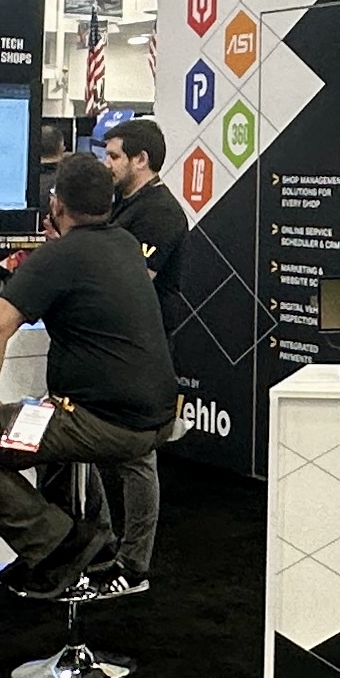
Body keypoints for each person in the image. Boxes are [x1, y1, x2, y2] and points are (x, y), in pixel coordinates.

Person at [0, 151, 180, 599]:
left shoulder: (60, 256)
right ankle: (93, 546)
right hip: (150, 415)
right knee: (39, 421)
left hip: (98, 421)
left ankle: (56, 546)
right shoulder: (124, 243)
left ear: (57, 204)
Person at [99, 117, 187, 595]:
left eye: (113, 156)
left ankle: (134, 564)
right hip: (111, 343)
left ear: (141, 159)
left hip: (142, 349)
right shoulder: (122, 205)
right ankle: (100, 544)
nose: (106, 164)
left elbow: (132, 281)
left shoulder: (161, 212)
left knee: (137, 456)